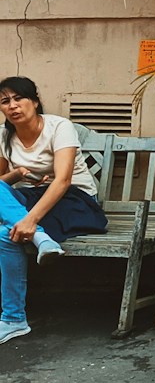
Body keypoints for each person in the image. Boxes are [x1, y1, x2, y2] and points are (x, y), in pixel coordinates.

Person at [1, 77, 110, 345]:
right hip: (31, 199)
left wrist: (30, 220)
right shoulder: (4, 135)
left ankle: (13, 318)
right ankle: (41, 238)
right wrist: (16, 173)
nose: (13, 106)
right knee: (8, 232)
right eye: (5, 101)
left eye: (19, 98)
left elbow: (62, 180)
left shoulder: (59, 126)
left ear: (35, 101)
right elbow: (2, 184)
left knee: (5, 235)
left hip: (75, 200)